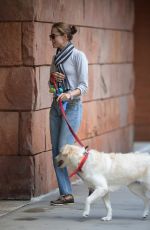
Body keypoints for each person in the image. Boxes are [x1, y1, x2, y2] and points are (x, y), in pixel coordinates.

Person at [49, 22, 88, 205]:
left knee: (65, 150)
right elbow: (51, 88)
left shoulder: (78, 56)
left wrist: (69, 94)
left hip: (72, 106)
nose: (51, 40)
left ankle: (92, 177)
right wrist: (52, 79)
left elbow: (84, 87)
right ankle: (66, 193)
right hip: (56, 106)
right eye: (51, 36)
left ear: (65, 37)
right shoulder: (55, 59)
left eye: (53, 36)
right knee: (57, 150)